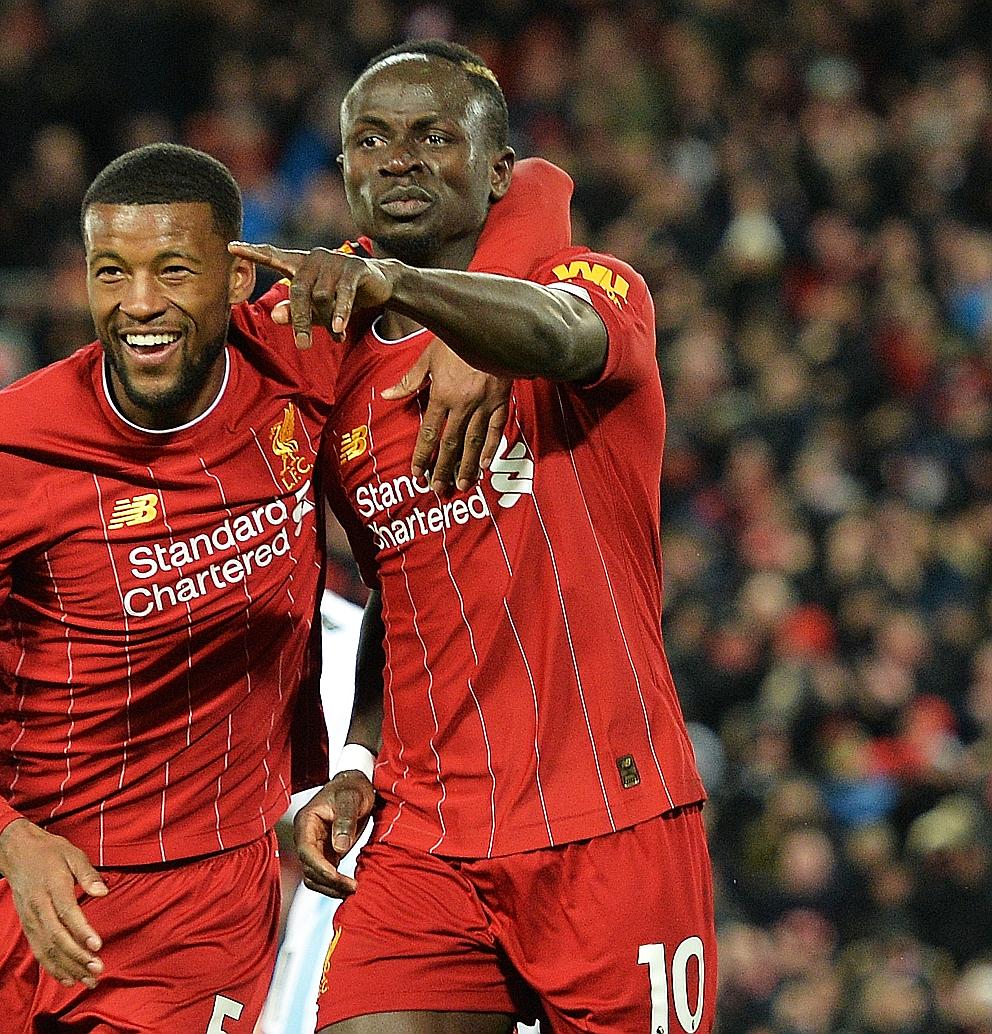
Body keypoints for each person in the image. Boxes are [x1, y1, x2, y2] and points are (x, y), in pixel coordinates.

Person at [0, 142, 499, 1034]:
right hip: (24, 882)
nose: (139, 305)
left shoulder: (301, 352)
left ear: (238, 275)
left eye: (173, 270)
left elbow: (514, 203)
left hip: (201, 908)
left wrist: (479, 343)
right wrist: (7, 842)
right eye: (110, 272)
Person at [232, 40, 717, 1033]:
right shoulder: (337, 370)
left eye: (432, 137)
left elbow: (560, 331)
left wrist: (419, 300)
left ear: (496, 171)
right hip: (427, 834)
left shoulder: (592, 280)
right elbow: (393, 590)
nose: (398, 159)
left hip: (609, 821)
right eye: (370, 140)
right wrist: (357, 756)